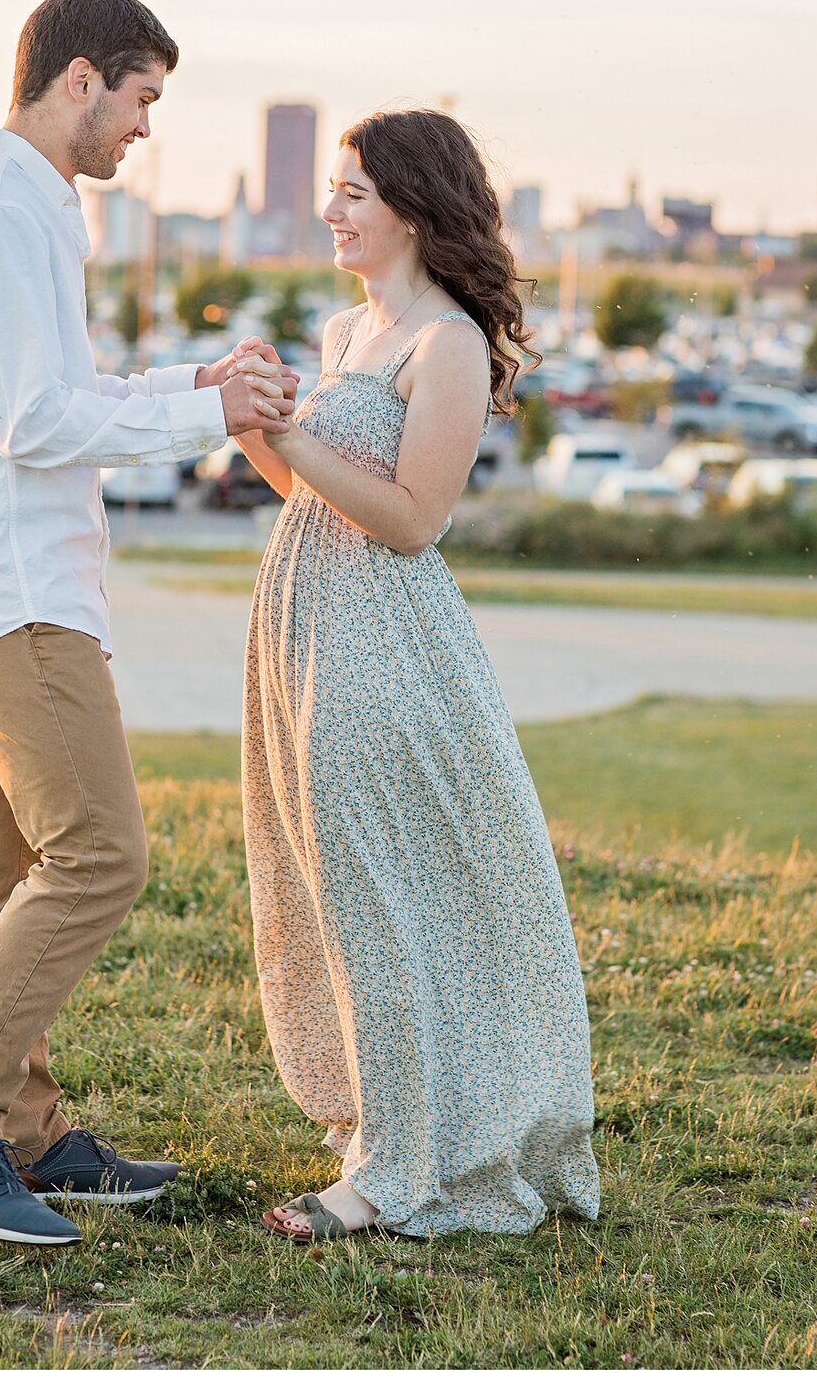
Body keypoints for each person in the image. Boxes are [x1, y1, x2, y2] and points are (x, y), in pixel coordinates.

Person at [0, 0, 298, 1246]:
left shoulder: (28, 208)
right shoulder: (7, 215)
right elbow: (35, 420)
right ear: (79, 79)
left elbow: (56, 387)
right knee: (101, 854)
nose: (143, 128)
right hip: (15, 596)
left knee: (4, 866)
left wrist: (192, 379)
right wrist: (206, 416)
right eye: (141, 98)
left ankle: (17, 1128)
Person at [231, 108, 600, 1242]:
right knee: (328, 891)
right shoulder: (348, 333)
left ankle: (395, 1170)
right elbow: (303, 488)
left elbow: (410, 519)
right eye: (333, 187)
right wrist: (259, 416)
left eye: (353, 190)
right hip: (302, 620)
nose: (332, 208)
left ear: (411, 205)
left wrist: (293, 439)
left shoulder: (446, 344)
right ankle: (386, 1121)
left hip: (381, 641)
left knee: (377, 902)